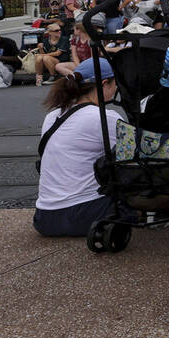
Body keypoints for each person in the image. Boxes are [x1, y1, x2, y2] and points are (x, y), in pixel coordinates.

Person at [33, 58, 123, 236]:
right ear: (105, 83)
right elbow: (134, 155)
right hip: (85, 215)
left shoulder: (52, 115)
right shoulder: (104, 117)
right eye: (115, 83)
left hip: (44, 218)